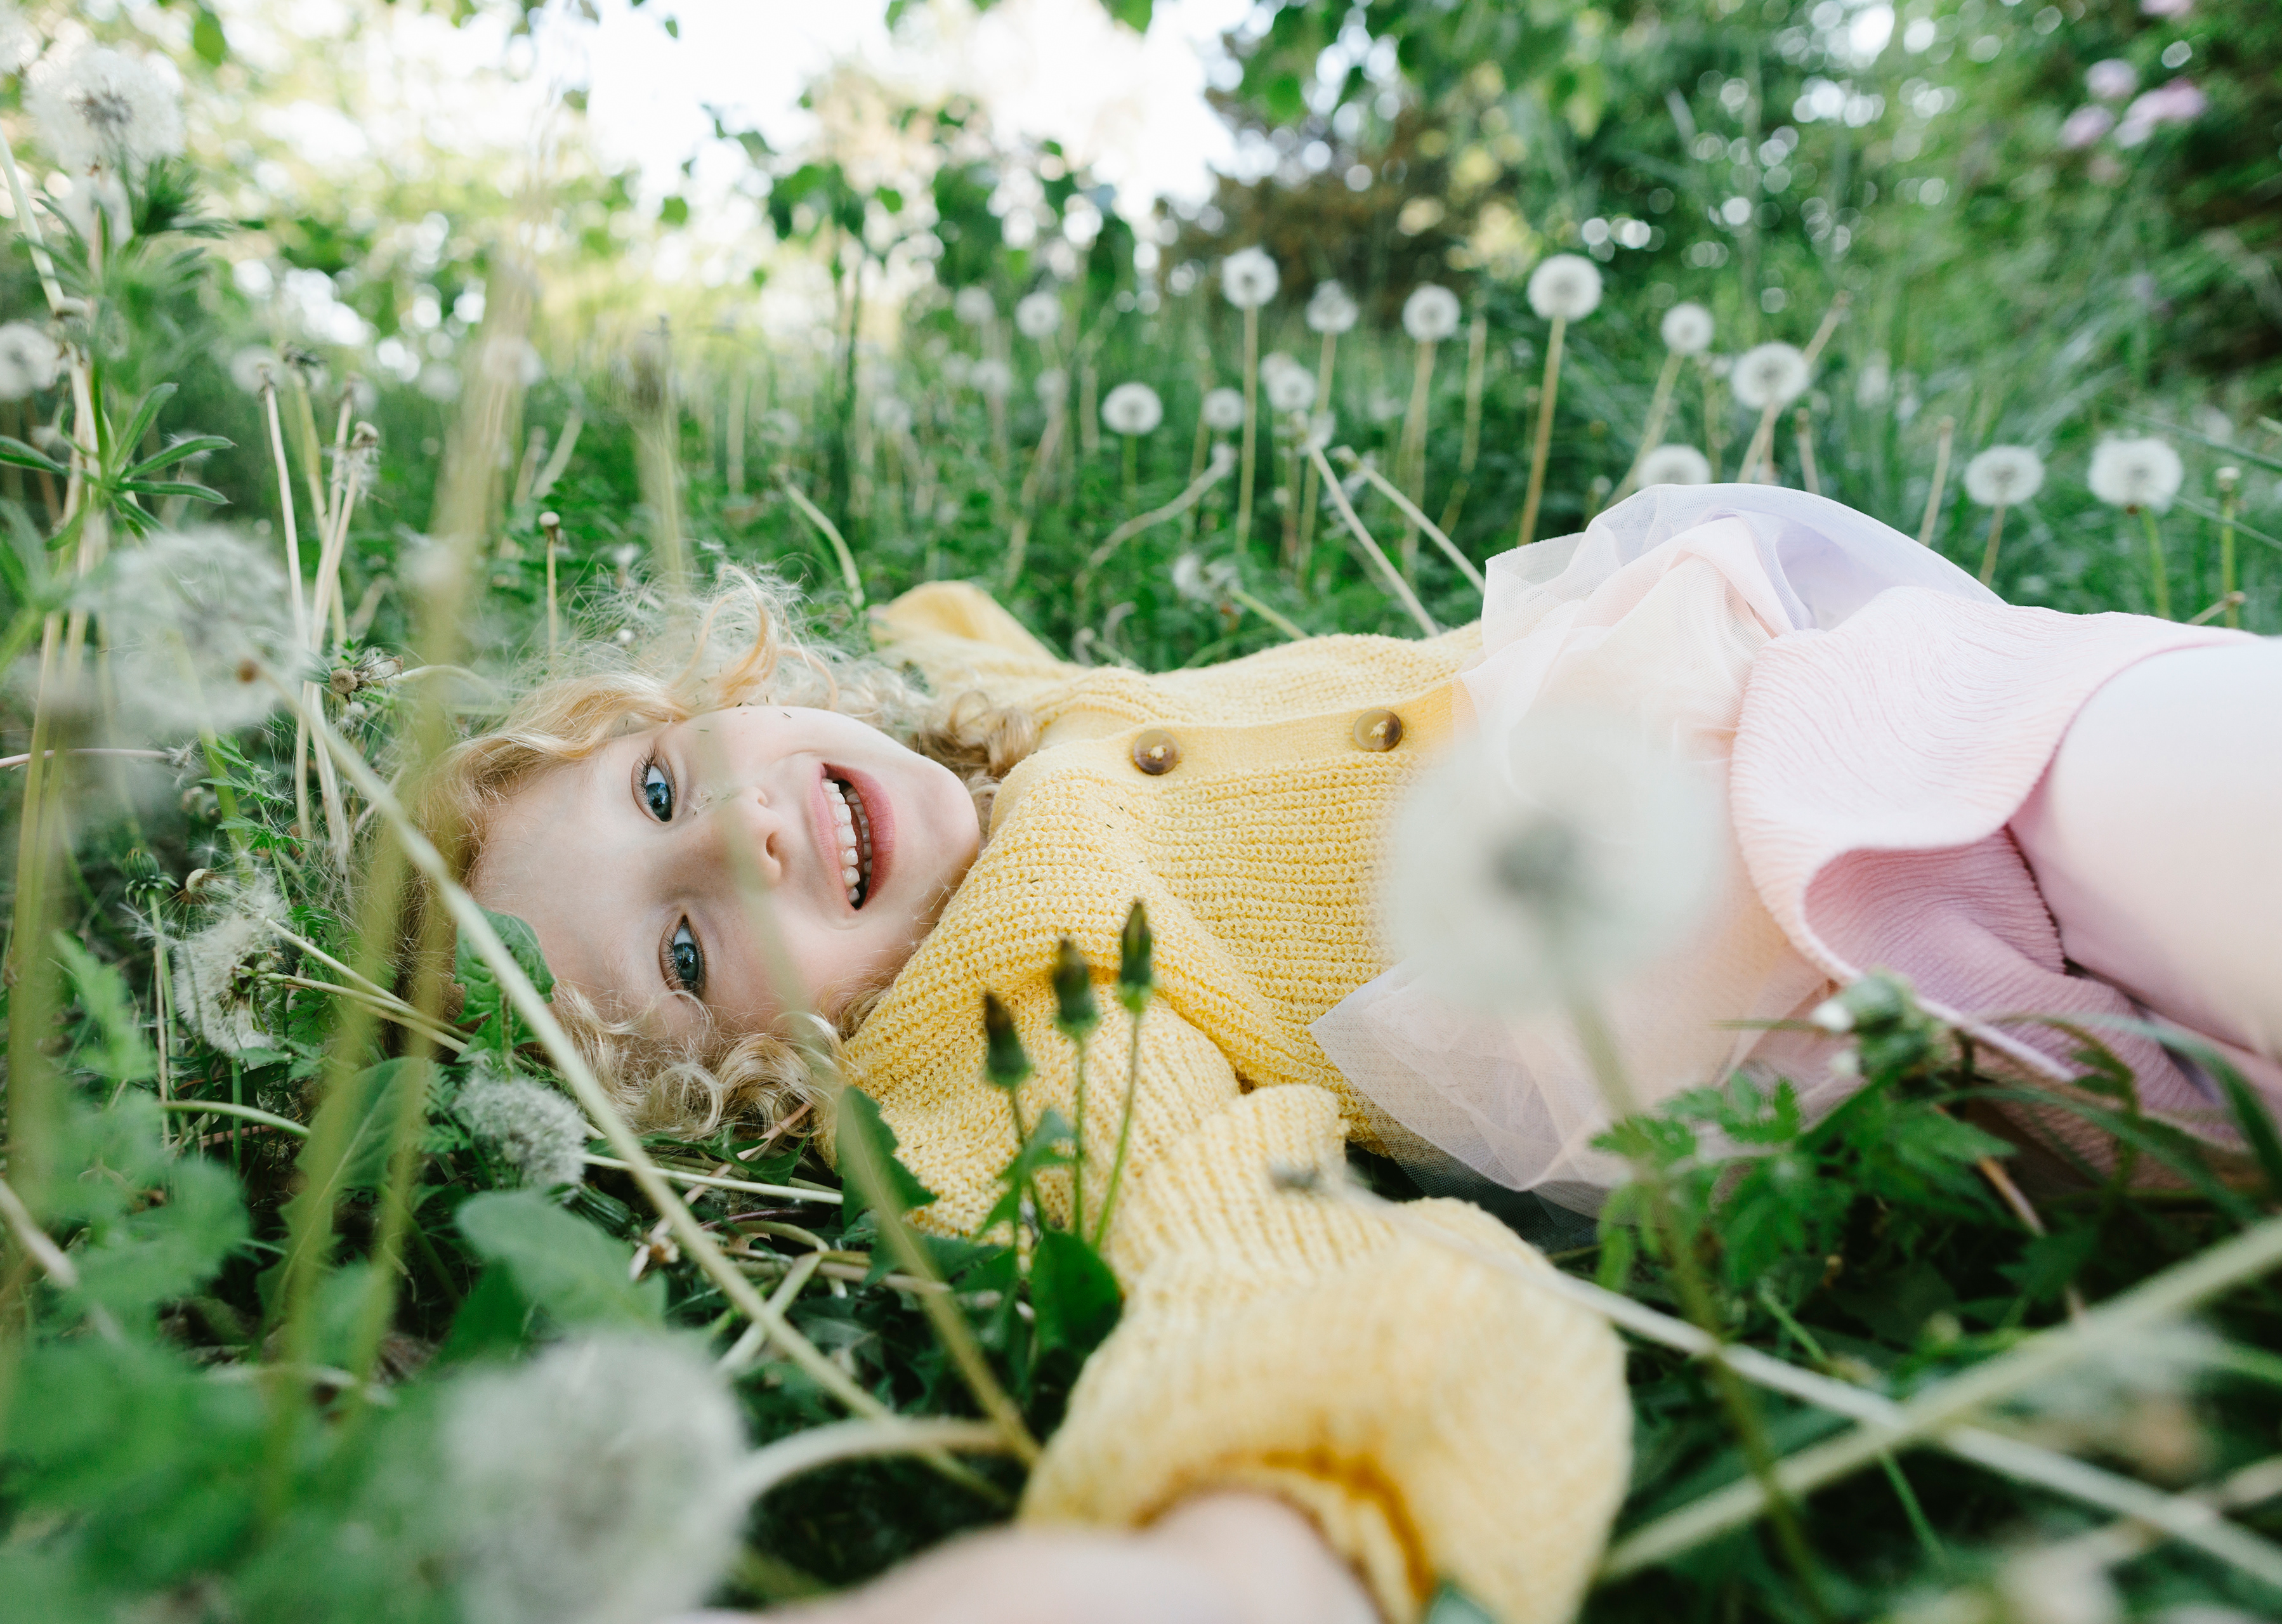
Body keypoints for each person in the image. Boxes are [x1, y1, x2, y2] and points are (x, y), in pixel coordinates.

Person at [433, 484, 2279, 1623]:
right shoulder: (1008, 1026)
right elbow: (1248, 1255)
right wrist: (1224, 1569)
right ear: (748, 1094)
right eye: (684, 945)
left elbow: (962, 643)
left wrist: (927, 643)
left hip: (1901, 721)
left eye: (667, 779)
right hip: (1875, 1043)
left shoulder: (1006, 727)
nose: (741, 839)